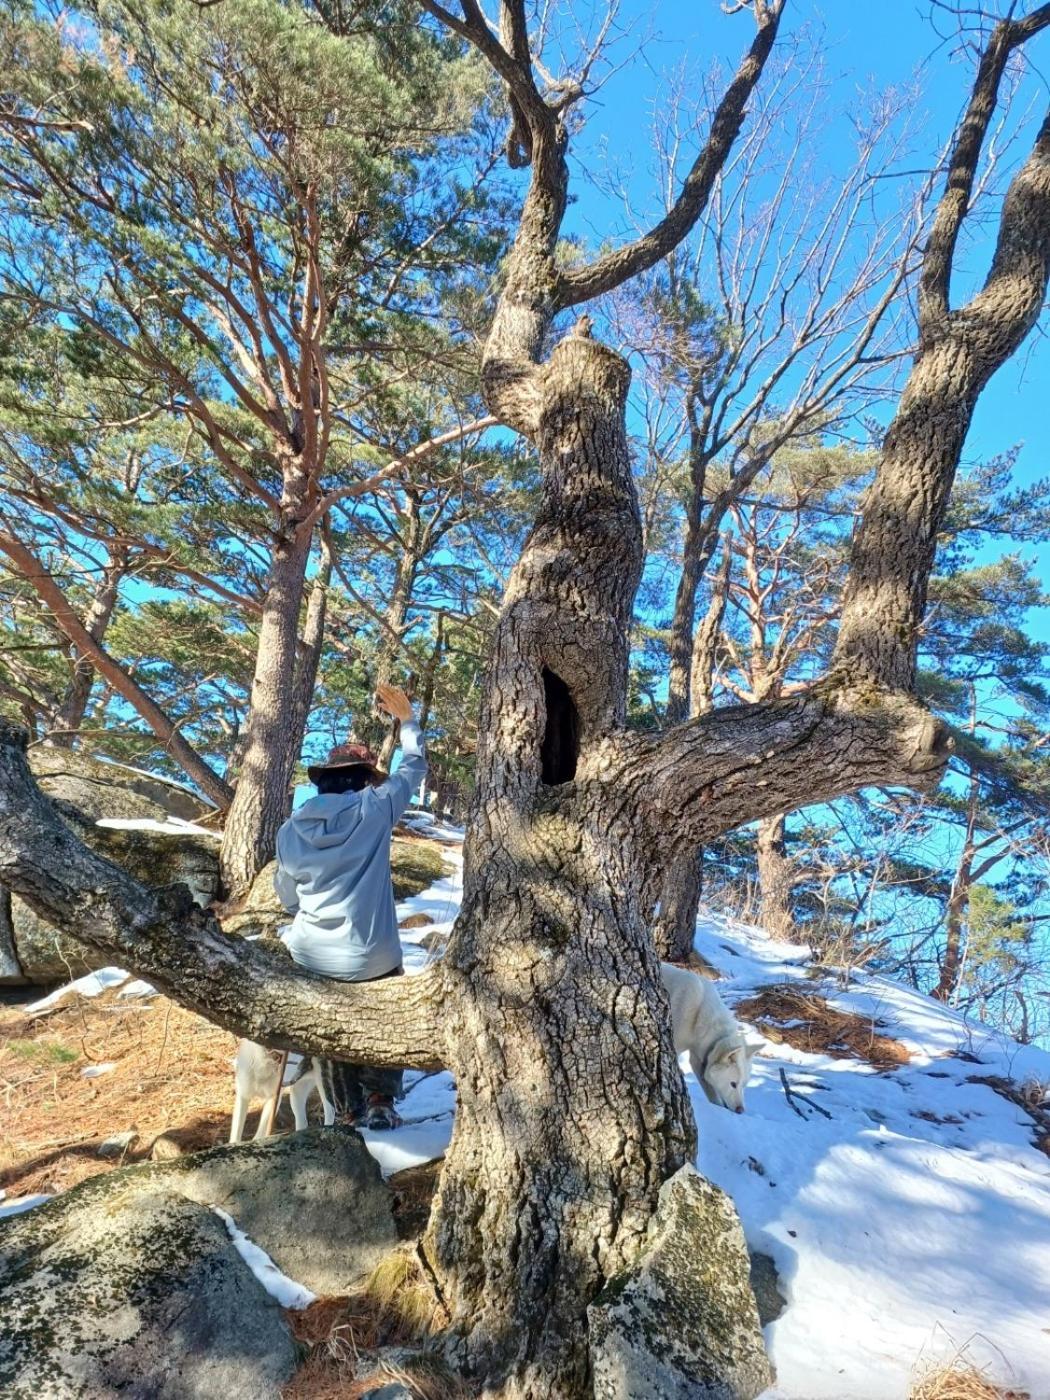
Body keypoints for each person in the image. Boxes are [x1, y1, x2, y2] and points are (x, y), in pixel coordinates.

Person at [273, 683, 426, 1130]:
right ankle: (380, 1099)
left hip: (314, 955)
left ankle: (345, 1109)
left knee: (328, 1028)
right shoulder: (374, 808)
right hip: (372, 953)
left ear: (321, 782)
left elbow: (287, 898)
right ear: (364, 780)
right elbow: (413, 767)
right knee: (388, 1014)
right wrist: (407, 722)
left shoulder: (289, 831)